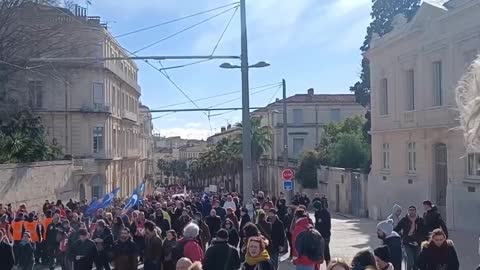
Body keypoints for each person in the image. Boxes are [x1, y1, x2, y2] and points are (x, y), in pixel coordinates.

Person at [394, 205, 426, 270]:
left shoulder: (420, 220)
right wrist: (400, 236)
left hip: (417, 243)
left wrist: (422, 239)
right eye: (410, 210)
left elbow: (424, 231)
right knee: (410, 260)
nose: (412, 212)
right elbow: (397, 229)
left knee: (416, 261)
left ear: (415, 211)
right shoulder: (404, 220)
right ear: (408, 211)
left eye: (413, 210)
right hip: (407, 243)